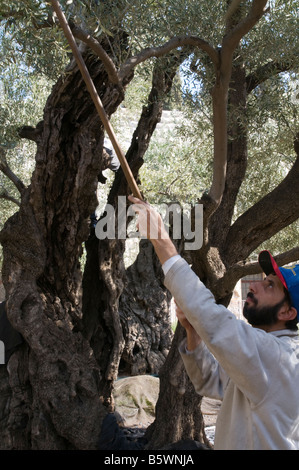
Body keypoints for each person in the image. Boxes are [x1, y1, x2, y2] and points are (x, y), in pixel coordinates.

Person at [128, 195, 299, 450]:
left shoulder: (278, 357)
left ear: (287, 312)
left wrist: (161, 239)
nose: (255, 285)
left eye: (269, 286)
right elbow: (212, 381)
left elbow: (214, 318)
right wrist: (192, 332)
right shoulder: (266, 359)